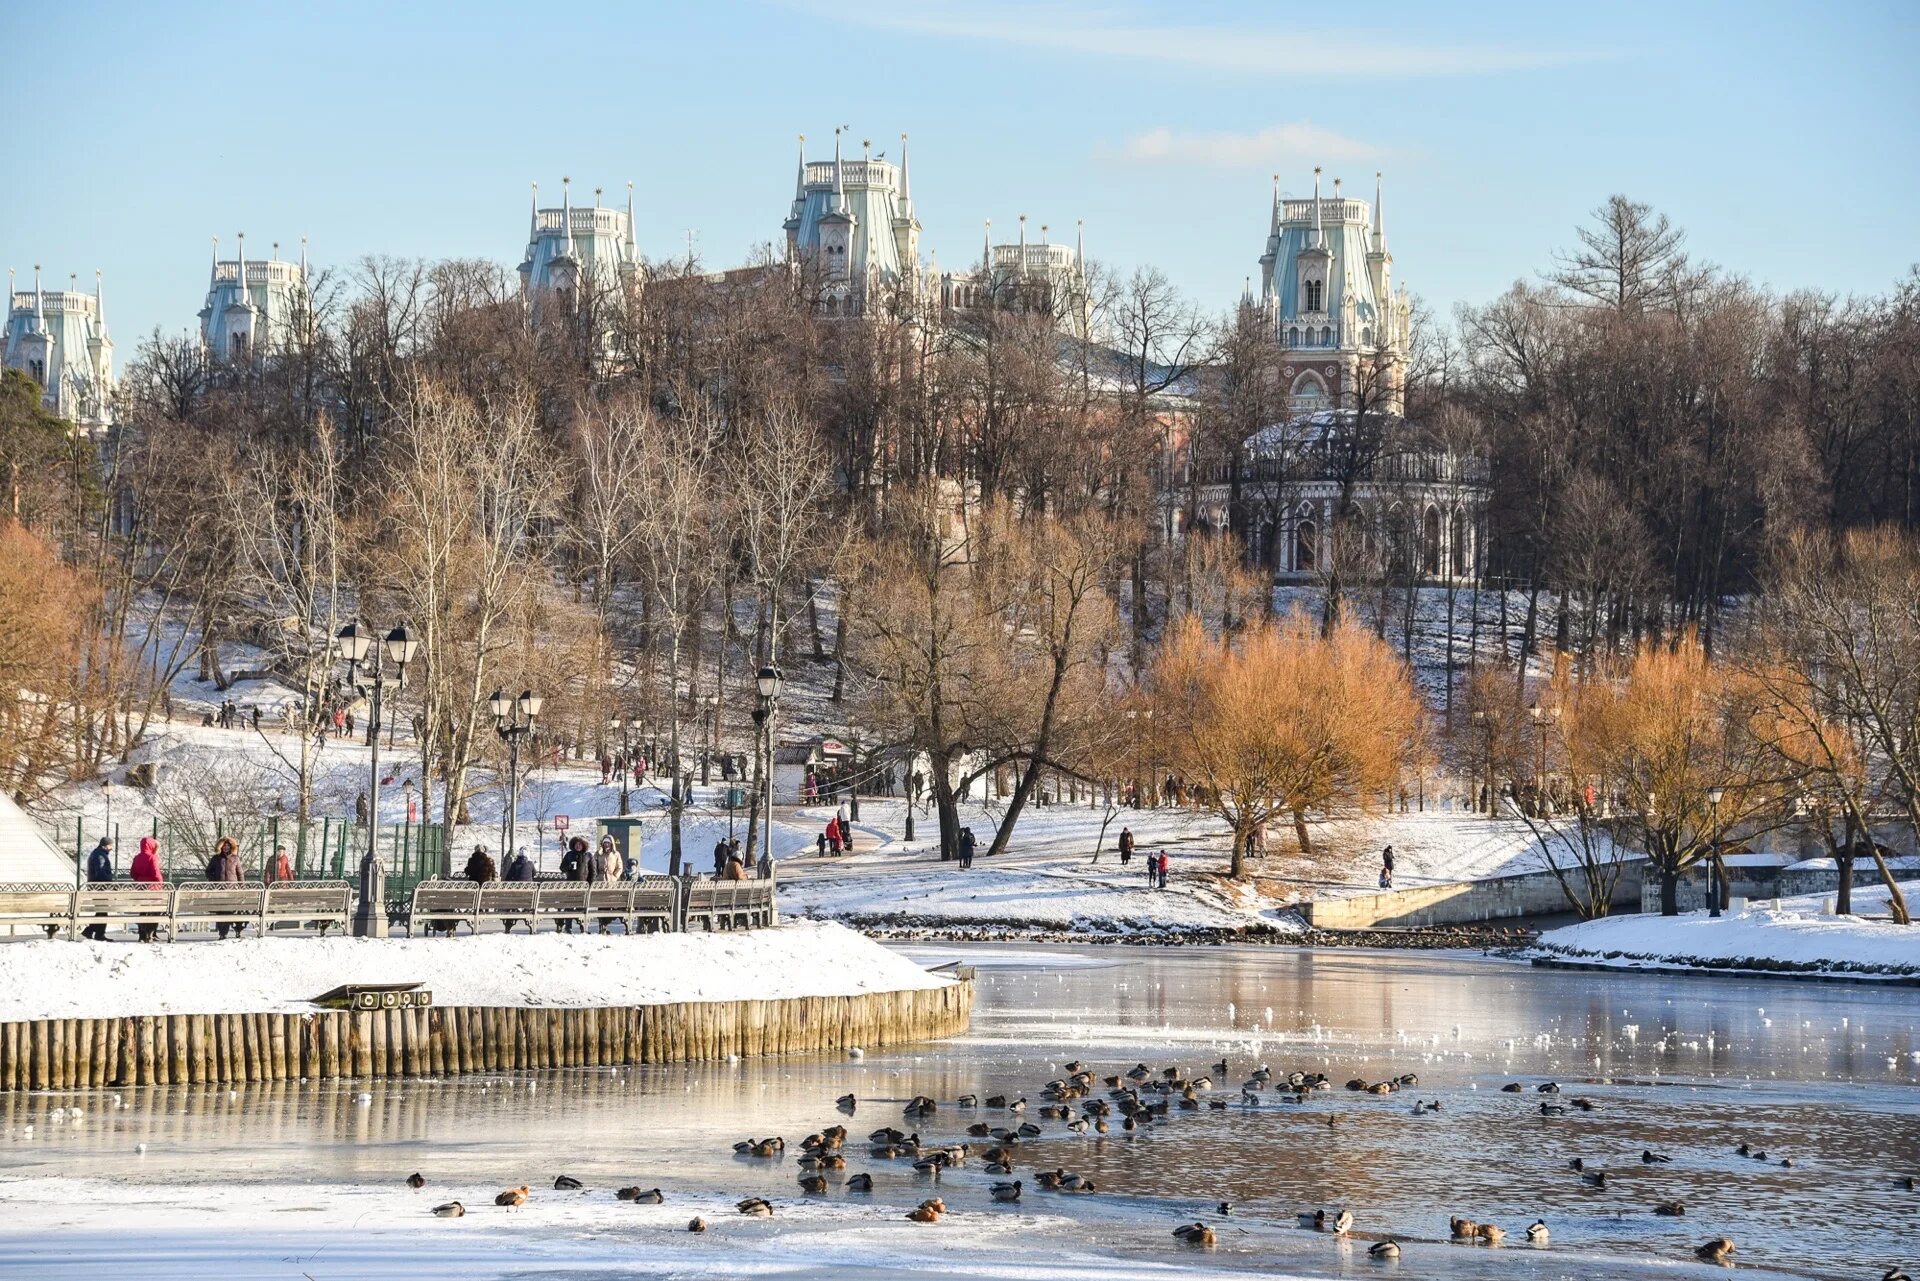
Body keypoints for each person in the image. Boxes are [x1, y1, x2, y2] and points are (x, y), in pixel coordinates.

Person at [207, 837, 246, 938]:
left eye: (228, 846)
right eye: (224, 846)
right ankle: (222, 933)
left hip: (232, 889)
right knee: (221, 911)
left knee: (232, 910)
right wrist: (214, 881)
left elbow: (240, 874)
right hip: (220, 889)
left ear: (231, 847)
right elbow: (208, 871)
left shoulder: (235, 858)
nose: (226, 848)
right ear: (221, 847)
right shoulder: (216, 858)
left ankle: (236, 930)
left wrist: (242, 886)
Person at [81, 837, 114, 940]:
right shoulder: (100, 855)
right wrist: (109, 882)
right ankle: (97, 934)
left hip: (95, 886)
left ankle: (91, 931)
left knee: (101, 911)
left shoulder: (97, 853)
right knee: (102, 911)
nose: (111, 848)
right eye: (110, 845)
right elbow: (100, 871)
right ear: (105, 845)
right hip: (100, 887)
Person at [131, 835, 162, 942]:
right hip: (152, 888)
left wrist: (140, 880)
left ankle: (142, 934)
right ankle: (150, 933)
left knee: (143, 910)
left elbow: (133, 874)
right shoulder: (152, 857)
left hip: (140, 887)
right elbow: (156, 874)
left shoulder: (137, 857)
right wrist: (160, 884)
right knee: (154, 910)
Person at [557, 836, 589, 933]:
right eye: (576, 844)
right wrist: (569, 866)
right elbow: (562, 868)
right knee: (569, 905)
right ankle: (568, 927)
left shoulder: (587, 855)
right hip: (570, 884)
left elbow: (592, 871)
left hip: (583, 885)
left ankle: (582, 926)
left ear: (583, 845)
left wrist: (590, 883)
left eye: (580, 844)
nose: (578, 846)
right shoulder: (569, 855)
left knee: (582, 906)